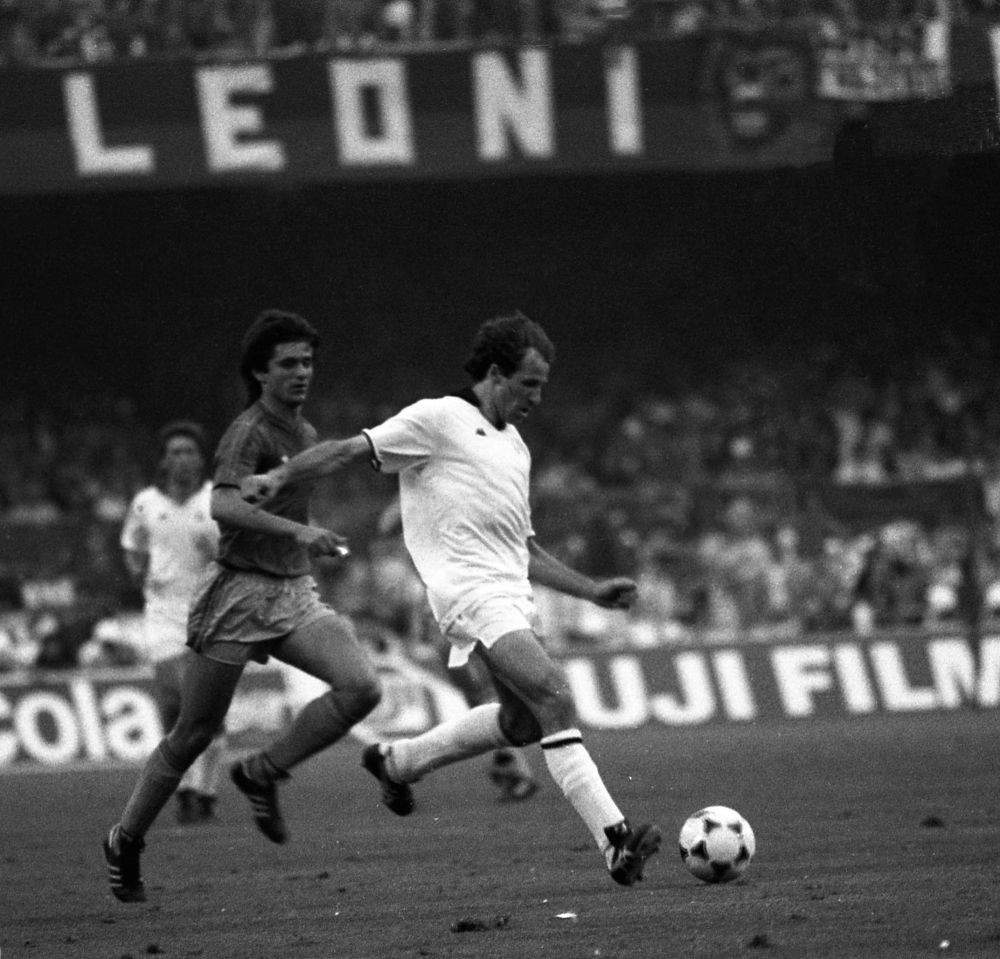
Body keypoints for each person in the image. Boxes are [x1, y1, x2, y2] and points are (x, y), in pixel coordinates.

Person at [242, 311, 662, 887]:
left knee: (521, 721)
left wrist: (591, 590)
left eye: (542, 386)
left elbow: (525, 550)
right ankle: (615, 840)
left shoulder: (515, 448)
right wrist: (279, 477)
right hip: (467, 592)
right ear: (495, 374)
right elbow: (345, 450)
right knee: (554, 694)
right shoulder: (438, 418)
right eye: (529, 384)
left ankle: (397, 763)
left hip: (511, 596)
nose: (537, 398)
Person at [103, 309, 382, 903]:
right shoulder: (247, 432)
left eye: (307, 362)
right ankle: (125, 838)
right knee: (194, 731)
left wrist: (306, 538)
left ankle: (262, 771)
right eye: (289, 364)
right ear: (259, 373)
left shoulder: (304, 434)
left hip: (291, 592)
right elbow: (224, 506)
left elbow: (290, 498)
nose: (302, 372)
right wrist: (301, 533)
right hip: (238, 596)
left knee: (361, 687)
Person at [120, 420, 223, 824]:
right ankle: (187, 788)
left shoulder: (217, 500)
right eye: (174, 452)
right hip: (162, 613)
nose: (181, 458)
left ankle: (203, 789)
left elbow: (237, 555)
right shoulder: (145, 503)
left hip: (209, 612)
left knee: (205, 707)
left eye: (189, 451)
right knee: (172, 701)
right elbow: (132, 545)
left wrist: (215, 551)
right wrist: (137, 569)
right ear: (164, 461)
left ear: (200, 460)